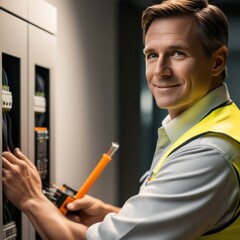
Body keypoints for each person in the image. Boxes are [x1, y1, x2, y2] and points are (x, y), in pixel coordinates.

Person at [2, 0, 240, 239]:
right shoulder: (215, 126)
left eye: (178, 53)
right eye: (152, 55)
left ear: (217, 62)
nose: (160, 70)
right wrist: (108, 214)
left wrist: (30, 198)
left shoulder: (208, 152)